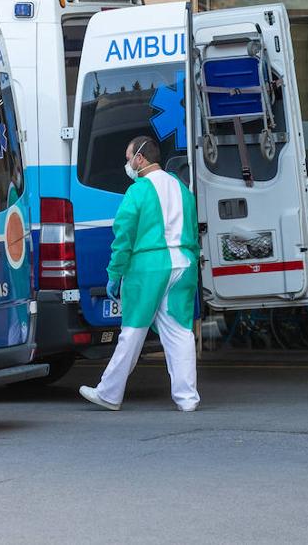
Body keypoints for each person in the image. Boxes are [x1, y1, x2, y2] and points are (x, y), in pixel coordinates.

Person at [80, 136, 201, 412]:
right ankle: (187, 398)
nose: (127, 164)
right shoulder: (181, 188)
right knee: (179, 332)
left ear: (141, 158)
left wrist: (115, 273)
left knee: (133, 331)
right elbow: (193, 230)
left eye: (128, 158)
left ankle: (109, 393)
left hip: (148, 268)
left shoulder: (137, 191)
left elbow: (124, 236)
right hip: (183, 264)